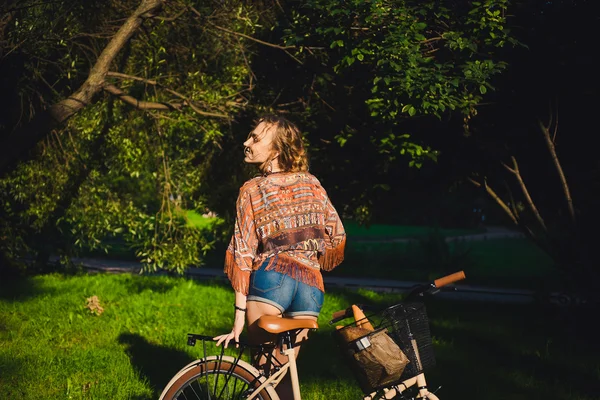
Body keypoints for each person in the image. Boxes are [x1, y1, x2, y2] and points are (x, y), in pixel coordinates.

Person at [214, 114, 346, 398]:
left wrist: (238, 318)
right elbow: (337, 236)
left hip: (272, 281)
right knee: (283, 373)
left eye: (255, 138)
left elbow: (243, 253)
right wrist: (309, 254)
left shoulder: (252, 189)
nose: (246, 142)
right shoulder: (312, 183)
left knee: (262, 375)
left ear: (275, 151)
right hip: (311, 289)